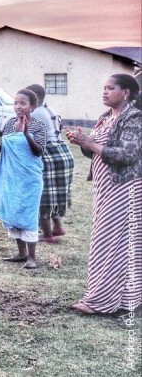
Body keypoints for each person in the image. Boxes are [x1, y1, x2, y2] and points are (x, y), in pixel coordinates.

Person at [67, 74, 141, 315]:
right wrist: (81, 142)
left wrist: (89, 143)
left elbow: (127, 155)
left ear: (126, 92)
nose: (105, 92)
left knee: (111, 243)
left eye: (111, 88)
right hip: (105, 187)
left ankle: (100, 301)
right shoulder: (106, 117)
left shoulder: (134, 117)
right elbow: (96, 152)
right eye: (104, 87)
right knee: (113, 242)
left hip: (124, 188)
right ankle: (125, 300)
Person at [0, 89, 46, 269]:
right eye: (16, 103)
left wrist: (25, 133)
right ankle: (21, 253)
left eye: (23, 103)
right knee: (12, 211)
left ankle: (32, 258)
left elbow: (39, 151)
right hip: (11, 177)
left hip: (30, 179)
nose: (18, 107)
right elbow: (6, 151)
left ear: (32, 106)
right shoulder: (9, 124)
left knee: (28, 215)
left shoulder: (39, 126)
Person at [25, 84, 75, 242]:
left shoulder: (36, 113)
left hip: (49, 153)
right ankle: (58, 227)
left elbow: (30, 137)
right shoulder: (49, 109)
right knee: (52, 194)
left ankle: (47, 235)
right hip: (62, 152)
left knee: (43, 195)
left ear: (35, 97)